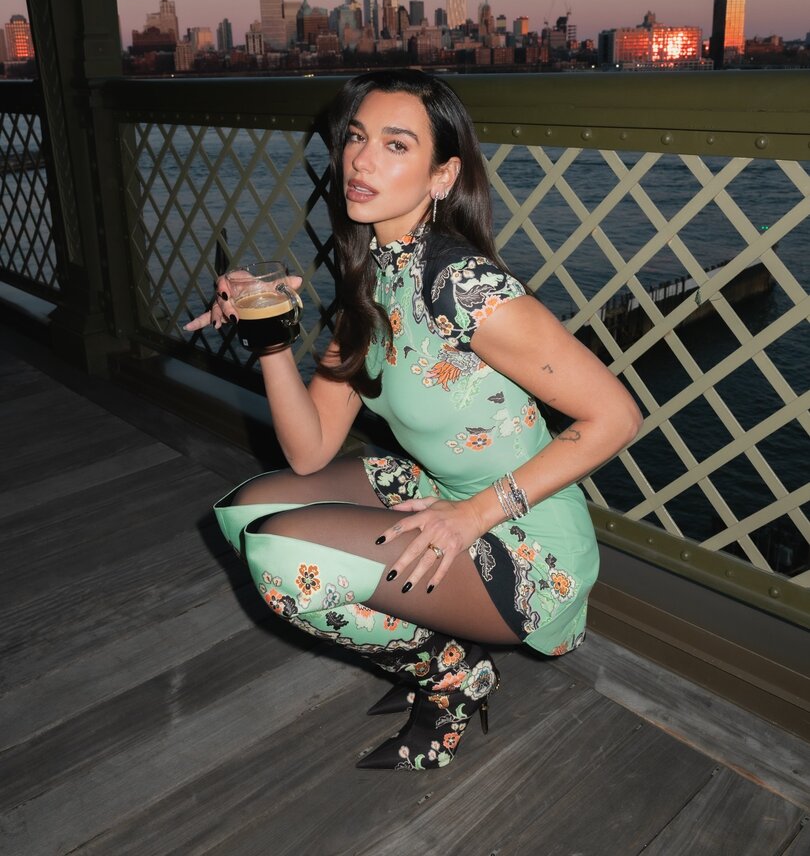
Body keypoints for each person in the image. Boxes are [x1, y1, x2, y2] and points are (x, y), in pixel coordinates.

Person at [185, 69, 642, 771]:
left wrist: (474, 516)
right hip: (440, 494)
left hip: (523, 538)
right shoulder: (370, 280)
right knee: (244, 515)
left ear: (442, 176)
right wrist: (269, 336)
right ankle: (446, 650)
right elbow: (309, 451)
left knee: (284, 560)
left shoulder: (465, 287)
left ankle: (451, 676)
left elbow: (616, 416)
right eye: (356, 138)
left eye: (396, 145)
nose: (361, 161)